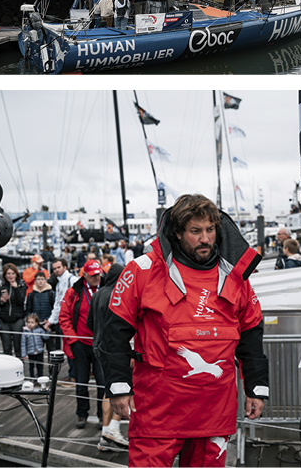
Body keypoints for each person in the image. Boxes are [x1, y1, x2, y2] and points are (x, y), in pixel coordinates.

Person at [100, 194, 268, 467]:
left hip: (215, 411)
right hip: (158, 412)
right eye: (195, 231)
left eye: (210, 230)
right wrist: (119, 386)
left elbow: (251, 334)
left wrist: (257, 389)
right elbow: (114, 333)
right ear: (177, 234)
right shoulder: (141, 270)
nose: (205, 239)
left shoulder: (236, 277)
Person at [88, 263, 129, 453]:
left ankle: (106, 433)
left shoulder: (97, 294)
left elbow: (90, 322)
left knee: (107, 388)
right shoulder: (119, 294)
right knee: (122, 387)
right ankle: (113, 428)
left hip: (97, 345)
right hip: (114, 348)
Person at [59, 259, 104, 429]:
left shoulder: (107, 288)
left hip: (100, 344)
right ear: (84, 275)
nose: (96, 278)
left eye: (98, 274)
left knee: (102, 382)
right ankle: (82, 415)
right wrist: (73, 339)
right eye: (92, 275)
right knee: (81, 382)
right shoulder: (74, 292)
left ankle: (102, 415)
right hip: (81, 344)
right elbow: (64, 317)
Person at [0, 263, 26, 357]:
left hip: (17, 319)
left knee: (18, 346)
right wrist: (1, 301)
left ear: (16, 274)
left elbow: (21, 300)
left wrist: (16, 288)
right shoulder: (1, 286)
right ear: (5, 275)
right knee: (6, 347)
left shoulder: (21, 285)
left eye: (13, 273)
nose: (11, 276)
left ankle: (19, 366)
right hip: (4, 320)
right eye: (8, 274)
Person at [20, 313, 47, 379]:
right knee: (31, 366)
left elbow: (46, 338)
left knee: (40, 366)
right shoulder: (25, 332)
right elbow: (23, 343)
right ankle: (32, 378)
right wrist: (23, 354)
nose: (30, 324)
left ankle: (40, 377)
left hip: (39, 351)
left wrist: (48, 330)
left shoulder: (40, 330)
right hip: (30, 352)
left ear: (36, 323)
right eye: (28, 322)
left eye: (32, 322)